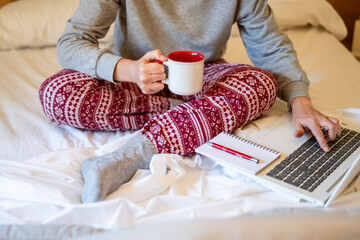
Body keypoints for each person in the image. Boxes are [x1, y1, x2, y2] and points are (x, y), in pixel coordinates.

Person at [39, 0, 341, 203]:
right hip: (136, 78)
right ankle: (195, 118)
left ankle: (125, 159)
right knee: (57, 92)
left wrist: (301, 101)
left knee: (261, 82)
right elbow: (72, 42)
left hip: (205, 78)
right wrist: (129, 69)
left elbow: (271, 48)